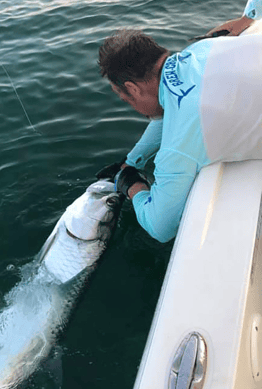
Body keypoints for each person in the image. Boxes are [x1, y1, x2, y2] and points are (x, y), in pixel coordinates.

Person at [97, 0, 262, 243]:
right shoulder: (203, 48)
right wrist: (130, 162)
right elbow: (173, 109)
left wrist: (131, 185)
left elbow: (160, 227)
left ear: (132, 88)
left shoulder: (178, 148)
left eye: (126, 99)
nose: (132, 108)